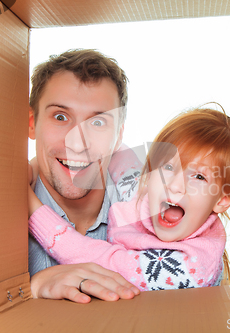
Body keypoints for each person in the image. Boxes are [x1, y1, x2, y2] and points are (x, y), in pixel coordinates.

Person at [28, 108, 230, 290]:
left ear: (222, 199)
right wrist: (35, 164)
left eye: (199, 176)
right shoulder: (144, 189)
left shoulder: (189, 269)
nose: (174, 185)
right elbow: (119, 156)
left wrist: (30, 205)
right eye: (168, 167)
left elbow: (99, 261)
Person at [28, 48, 141, 302]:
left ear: (119, 136)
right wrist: (31, 288)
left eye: (98, 122)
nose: (78, 144)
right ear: (32, 123)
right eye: (60, 117)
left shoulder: (148, 207)